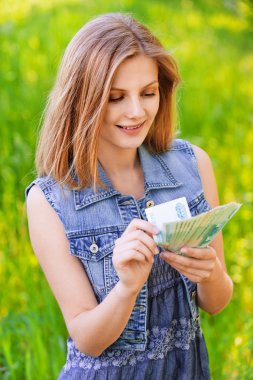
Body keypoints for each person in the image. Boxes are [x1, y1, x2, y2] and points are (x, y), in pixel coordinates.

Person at [26, 13, 233, 379]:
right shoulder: (50, 201)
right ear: (82, 100)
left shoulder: (193, 166)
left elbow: (215, 302)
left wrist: (210, 273)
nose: (136, 112)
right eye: (116, 97)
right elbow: (88, 339)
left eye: (148, 93)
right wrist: (127, 288)